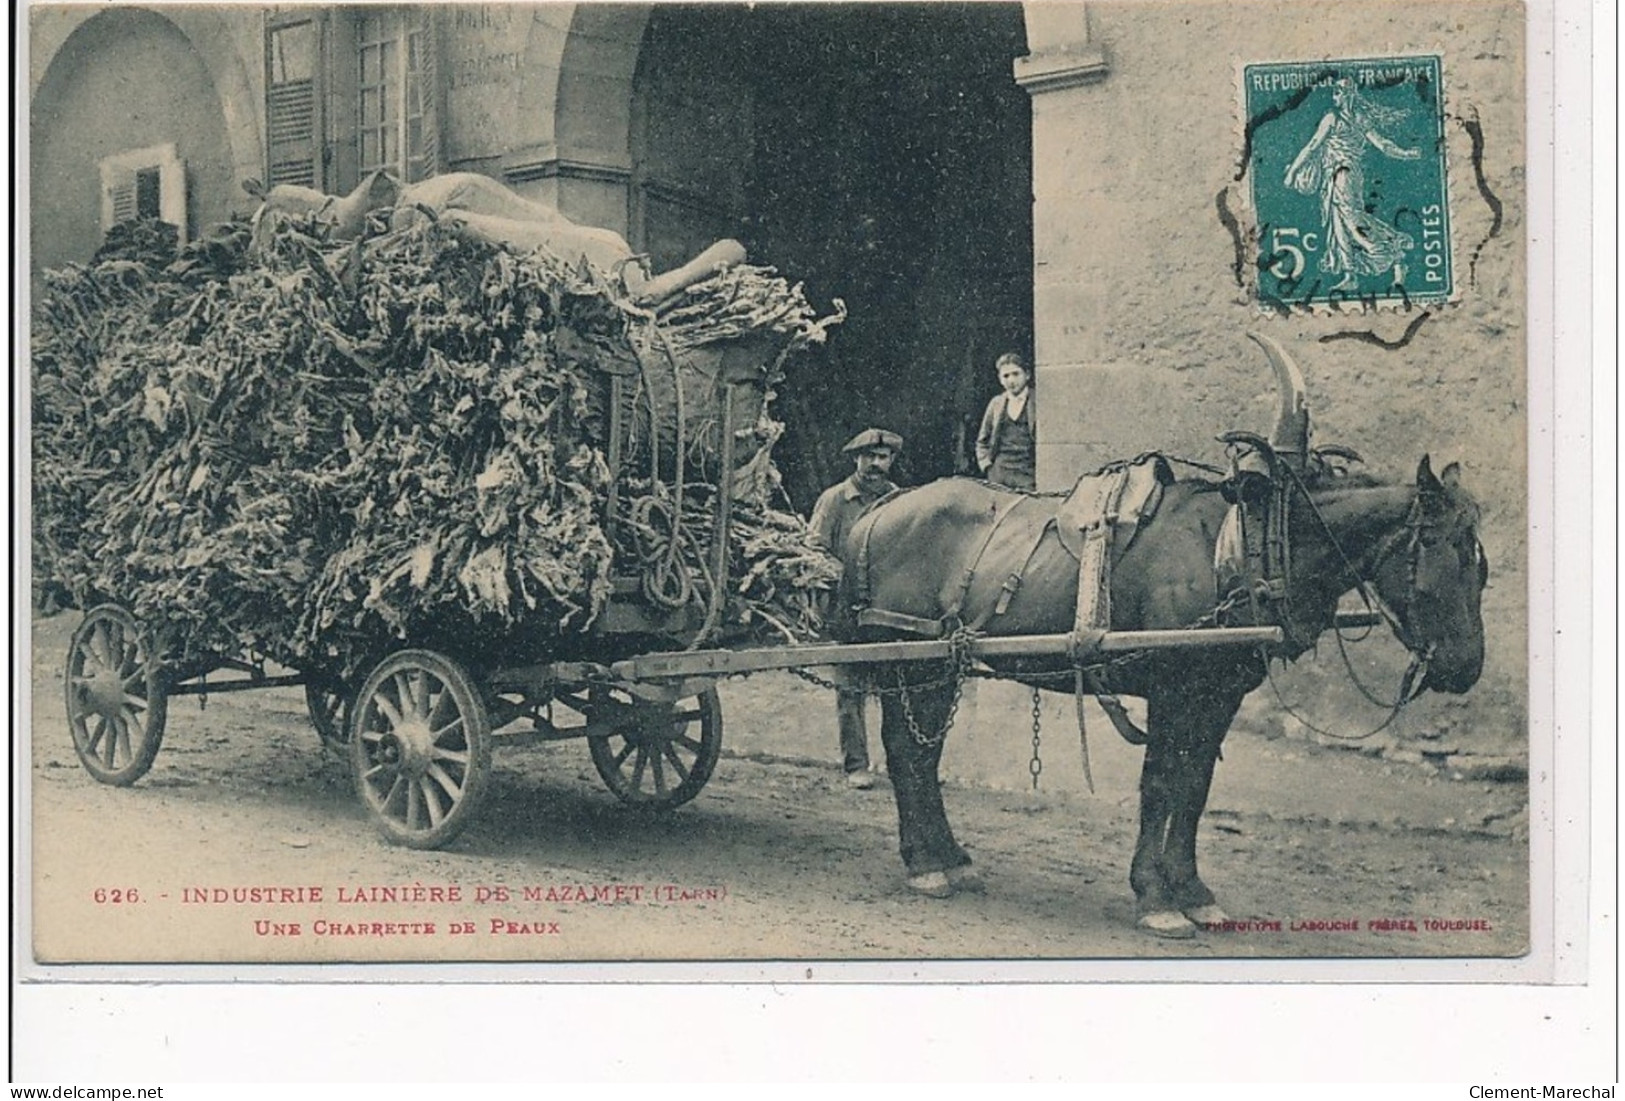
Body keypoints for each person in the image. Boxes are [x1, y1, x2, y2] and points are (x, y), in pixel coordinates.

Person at [806, 428, 903, 790]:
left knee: (895, 688)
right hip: (846, 609)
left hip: (889, 609)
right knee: (850, 689)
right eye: (868, 457)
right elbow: (813, 550)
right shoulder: (835, 501)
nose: (875, 464)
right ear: (855, 459)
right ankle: (856, 765)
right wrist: (847, 580)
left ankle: (900, 764)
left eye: (882, 457)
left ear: (891, 460)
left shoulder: (899, 501)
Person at [1283, 77, 1422, 292]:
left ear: (1348, 93)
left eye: (1337, 92)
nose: (1334, 96)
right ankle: (1353, 274)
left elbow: (1312, 146)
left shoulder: (1334, 118)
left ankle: (1391, 249)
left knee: (1351, 221)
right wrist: (1405, 153)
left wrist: (1292, 172)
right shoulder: (1358, 117)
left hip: (1342, 175)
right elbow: (1383, 145)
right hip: (1342, 175)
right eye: (1334, 93)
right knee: (1341, 222)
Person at [974, 352, 1038, 490]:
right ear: (1000, 379)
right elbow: (982, 440)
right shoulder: (996, 403)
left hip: (1027, 473)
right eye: (1006, 376)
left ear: (1027, 375)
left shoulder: (1037, 400)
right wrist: (986, 466)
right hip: (999, 472)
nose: (1011, 380)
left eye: (1016, 374)